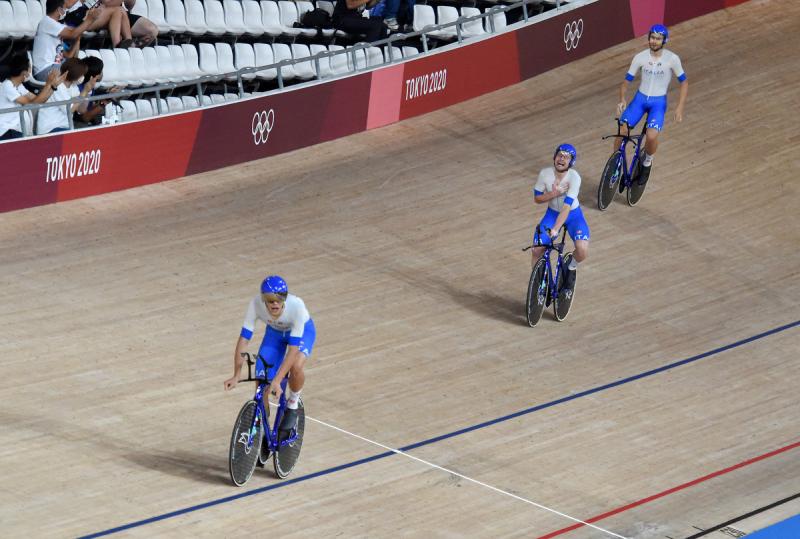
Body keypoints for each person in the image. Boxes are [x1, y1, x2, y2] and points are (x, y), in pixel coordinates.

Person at [224, 275, 316, 433]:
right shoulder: (255, 304)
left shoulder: (297, 307)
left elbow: (293, 351)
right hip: (275, 334)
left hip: (302, 333)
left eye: (280, 298)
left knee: (295, 366)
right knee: (262, 380)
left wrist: (277, 381)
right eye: (270, 299)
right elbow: (244, 340)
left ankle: (293, 403)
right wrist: (236, 374)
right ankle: (261, 430)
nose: (275, 303)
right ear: (263, 299)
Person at [616, 24, 688, 185]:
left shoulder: (672, 59)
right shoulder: (640, 57)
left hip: (658, 103)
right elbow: (626, 82)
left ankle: (647, 162)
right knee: (622, 130)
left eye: (658, 39)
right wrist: (622, 99)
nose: (654, 41)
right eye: (652, 38)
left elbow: (684, 83)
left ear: (664, 41)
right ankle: (615, 163)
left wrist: (680, 107)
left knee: (651, 136)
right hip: (640, 100)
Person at [530, 144, 589, 293]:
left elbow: (566, 208)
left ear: (571, 162)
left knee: (582, 250)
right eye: (560, 155)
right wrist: (553, 194)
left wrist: (556, 229)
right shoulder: (545, 174)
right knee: (537, 250)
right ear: (554, 157)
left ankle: (571, 267)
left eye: (566, 157)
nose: (561, 159)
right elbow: (537, 199)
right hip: (552, 213)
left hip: (572, 215)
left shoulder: (574, 178)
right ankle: (538, 284)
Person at [0, 53, 65, 140]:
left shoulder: (19, 86)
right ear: (24, 72)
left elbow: (39, 101)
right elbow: (32, 103)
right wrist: (48, 84)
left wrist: (53, 86)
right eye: (29, 68)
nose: (30, 71)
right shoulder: (7, 85)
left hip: (16, 129)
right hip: (7, 131)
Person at [32, 0, 100, 81]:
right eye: (64, 8)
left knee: (83, 68)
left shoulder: (56, 26)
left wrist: (77, 40)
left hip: (55, 66)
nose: (66, 10)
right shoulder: (47, 22)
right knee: (79, 70)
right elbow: (72, 33)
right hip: (45, 70)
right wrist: (90, 19)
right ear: (59, 9)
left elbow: (69, 55)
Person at [36, 57, 96, 134]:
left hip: (64, 128)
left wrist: (88, 91)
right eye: (82, 75)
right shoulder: (58, 86)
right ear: (75, 74)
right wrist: (84, 92)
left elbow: (80, 110)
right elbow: (70, 109)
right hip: (50, 129)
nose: (83, 77)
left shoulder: (73, 87)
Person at [62, 0, 133, 48]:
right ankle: (117, 45)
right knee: (117, 10)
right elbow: (107, 3)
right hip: (75, 17)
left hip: (86, 13)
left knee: (121, 10)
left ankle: (130, 43)